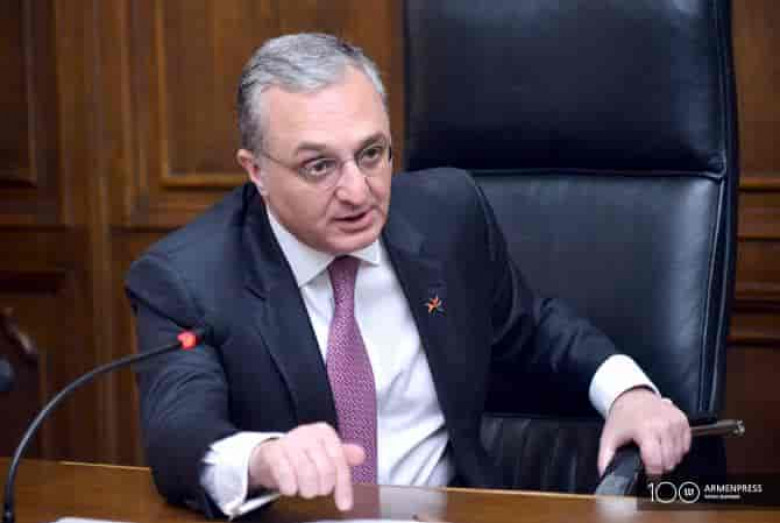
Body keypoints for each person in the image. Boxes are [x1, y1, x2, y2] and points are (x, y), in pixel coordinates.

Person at [125, 33, 691, 518]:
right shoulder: (187, 278)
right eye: (319, 166)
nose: (357, 191)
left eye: (372, 153)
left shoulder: (446, 215)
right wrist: (263, 458)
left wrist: (628, 393)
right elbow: (179, 432)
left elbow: (532, 328)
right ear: (256, 172)